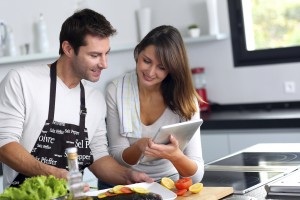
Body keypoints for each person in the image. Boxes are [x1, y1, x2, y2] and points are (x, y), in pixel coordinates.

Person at [0, 8, 153, 190]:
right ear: (68, 49)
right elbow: (4, 144)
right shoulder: (21, 81)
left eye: (106, 53)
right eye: (95, 55)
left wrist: (128, 175)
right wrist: (53, 173)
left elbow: (97, 157)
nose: (104, 64)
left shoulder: (94, 99)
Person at [102, 25, 204, 188]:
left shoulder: (185, 99)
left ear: (172, 69)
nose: (150, 71)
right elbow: (117, 155)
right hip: (128, 183)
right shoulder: (116, 90)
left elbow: (196, 175)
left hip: (170, 184)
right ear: (138, 53)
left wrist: (176, 156)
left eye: (161, 67)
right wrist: (138, 147)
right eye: (146, 61)